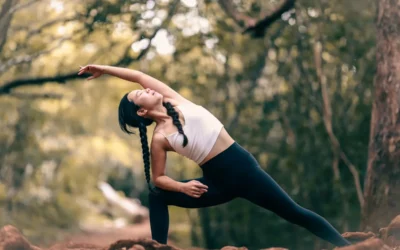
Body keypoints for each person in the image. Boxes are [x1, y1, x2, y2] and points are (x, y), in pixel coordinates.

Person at [78, 65, 351, 247]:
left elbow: (137, 75)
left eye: (144, 89)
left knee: (295, 213)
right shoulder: (160, 138)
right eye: (140, 95)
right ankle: (158, 249)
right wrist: (183, 186)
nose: (146, 88)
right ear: (141, 112)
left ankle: (351, 247)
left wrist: (103, 69)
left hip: (245, 171)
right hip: (215, 184)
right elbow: (159, 179)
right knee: (156, 195)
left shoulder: (174, 99)